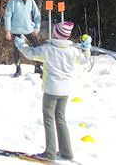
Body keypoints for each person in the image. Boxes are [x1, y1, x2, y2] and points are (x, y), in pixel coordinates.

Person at [14, 21, 92, 162]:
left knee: (49, 119)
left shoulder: (48, 49)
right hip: (65, 91)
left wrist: (21, 45)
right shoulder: (73, 50)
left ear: (56, 34)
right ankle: (66, 152)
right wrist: (87, 48)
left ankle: (50, 152)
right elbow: (85, 60)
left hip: (51, 90)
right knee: (60, 118)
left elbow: (31, 54)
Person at [4, 0, 42, 77]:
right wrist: (7, 31)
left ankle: (37, 67)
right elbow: (7, 16)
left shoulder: (31, 1)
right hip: (16, 30)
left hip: (29, 29)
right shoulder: (13, 1)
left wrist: (37, 27)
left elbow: (37, 15)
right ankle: (18, 69)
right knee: (17, 50)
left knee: (37, 48)